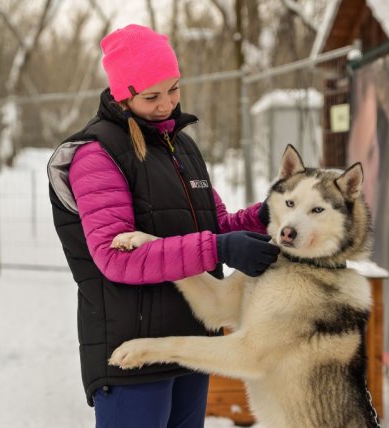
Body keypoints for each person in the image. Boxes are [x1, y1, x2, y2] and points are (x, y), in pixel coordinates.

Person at [47, 24, 279, 428]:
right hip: (133, 351)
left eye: (174, 89)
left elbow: (217, 223)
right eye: (151, 96)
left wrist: (269, 214)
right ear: (123, 95)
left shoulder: (182, 146)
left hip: (189, 343)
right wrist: (219, 249)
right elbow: (115, 258)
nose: (167, 104)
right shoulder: (97, 155)